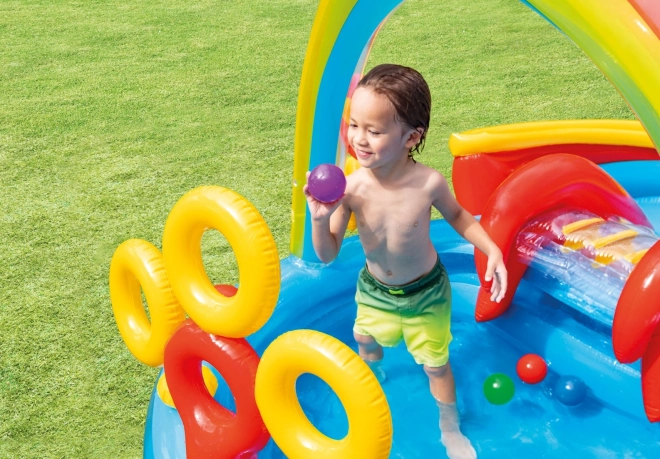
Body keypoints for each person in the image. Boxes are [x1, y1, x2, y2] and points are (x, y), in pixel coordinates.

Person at [303, 63, 507, 459]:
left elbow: (460, 218)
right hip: (375, 289)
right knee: (365, 338)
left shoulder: (428, 182)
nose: (359, 140)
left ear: (411, 137)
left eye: (374, 131)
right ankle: (377, 384)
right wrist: (319, 220)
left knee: (436, 366)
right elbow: (327, 255)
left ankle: (450, 429)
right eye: (355, 126)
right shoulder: (351, 187)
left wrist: (492, 248)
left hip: (426, 293)